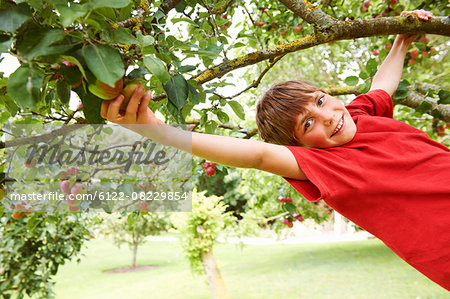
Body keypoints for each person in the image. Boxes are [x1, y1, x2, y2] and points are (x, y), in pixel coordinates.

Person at [101, 10, 450, 291]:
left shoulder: (358, 114)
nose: (328, 117)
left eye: (320, 100)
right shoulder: (328, 164)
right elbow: (257, 155)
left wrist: (401, 41)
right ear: (298, 146)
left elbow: (382, 84)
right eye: (308, 124)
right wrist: (159, 132)